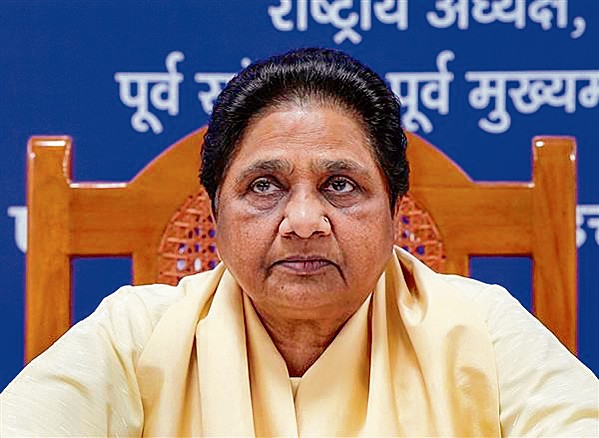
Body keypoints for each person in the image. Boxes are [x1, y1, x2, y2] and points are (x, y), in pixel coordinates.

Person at [1, 48, 598, 437]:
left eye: (341, 185)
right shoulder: (135, 336)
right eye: (265, 186)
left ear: (395, 212)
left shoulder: (482, 330)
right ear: (216, 214)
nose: (305, 221)